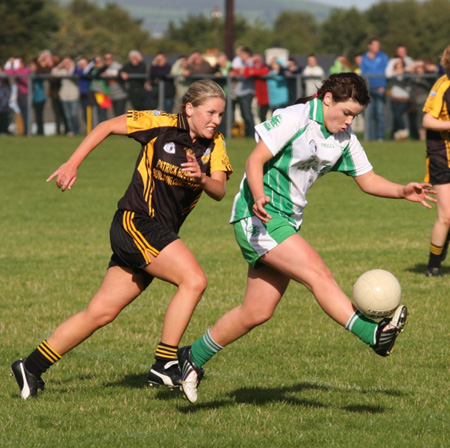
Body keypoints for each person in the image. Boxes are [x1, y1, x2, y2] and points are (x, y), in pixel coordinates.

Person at [175, 73, 436, 404]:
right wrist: (258, 195)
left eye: (355, 116)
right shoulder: (295, 118)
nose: (349, 122)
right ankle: (373, 334)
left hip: (287, 222)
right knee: (318, 273)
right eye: (346, 113)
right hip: (260, 216)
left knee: (257, 311)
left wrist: (402, 190)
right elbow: (254, 160)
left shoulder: (343, 138)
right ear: (327, 99)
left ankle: (191, 357)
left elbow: (368, 180)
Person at [10, 79, 233, 400]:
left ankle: (30, 366)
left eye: (220, 114)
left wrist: (202, 177)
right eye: (210, 112)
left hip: (157, 234)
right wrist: (73, 163)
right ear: (189, 109)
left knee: (100, 312)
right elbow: (106, 126)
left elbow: (220, 190)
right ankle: (165, 362)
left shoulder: (215, 146)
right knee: (194, 280)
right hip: (135, 221)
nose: (216, 120)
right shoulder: (160, 124)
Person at [422, 45, 450, 277]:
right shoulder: (443, 85)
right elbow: (427, 121)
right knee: (446, 216)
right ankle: (433, 265)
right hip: (442, 156)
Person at [360, 38, 389, 141]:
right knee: (369, 115)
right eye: (375, 45)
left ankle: (380, 137)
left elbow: (385, 71)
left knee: (380, 114)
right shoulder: (364, 58)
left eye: (378, 45)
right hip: (368, 90)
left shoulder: (383, 57)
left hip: (380, 88)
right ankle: (369, 137)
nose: (377, 47)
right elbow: (363, 73)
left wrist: (383, 85)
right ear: (370, 46)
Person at [51, 56, 80, 136]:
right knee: (68, 115)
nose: (66, 64)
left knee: (74, 114)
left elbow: (75, 72)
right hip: (64, 95)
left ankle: (77, 130)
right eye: (65, 63)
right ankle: (71, 131)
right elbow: (53, 73)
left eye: (68, 63)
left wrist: (71, 65)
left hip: (74, 95)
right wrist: (60, 65)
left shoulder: (74, 71)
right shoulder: (63, 71)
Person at [385, 58, 411, 140]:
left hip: (404, 99)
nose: (399, 69)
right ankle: (394, 135)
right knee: (395, 118)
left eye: (401, 67)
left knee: (398, 116)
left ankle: (403, 130)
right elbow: (388, 74)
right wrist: (393, 61)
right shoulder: (393, 74)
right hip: (394, 99)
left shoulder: (407, 75)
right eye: (397, 67)